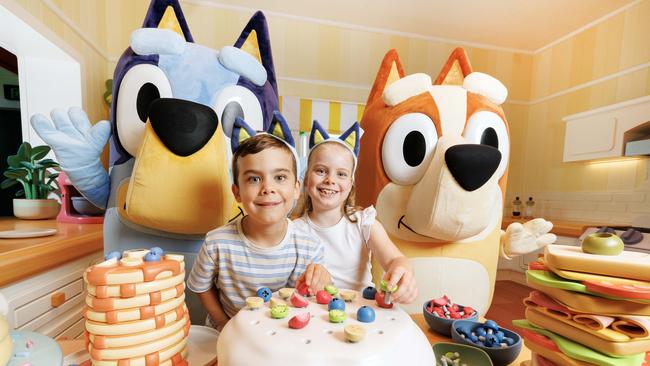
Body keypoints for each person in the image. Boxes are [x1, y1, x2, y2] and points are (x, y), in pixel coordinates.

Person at [188, 116, 331, 331]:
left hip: (282, 336)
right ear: (237, 192)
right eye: (254, 179)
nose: (267, 188)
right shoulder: (216, 242)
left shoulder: (309, 246)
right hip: (229, 335)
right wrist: (222, 322)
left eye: (280, 178)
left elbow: (310, 297)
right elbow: (201, 286)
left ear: (296, 189)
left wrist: (321, 281)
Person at [293, 121, 417, 304]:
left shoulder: (364, 223)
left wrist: (402, 271)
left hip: (358, 315)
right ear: (306, 179)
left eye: (341, 174)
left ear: (351, 184)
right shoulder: (294, 229)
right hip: (313, 317)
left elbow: (394, 259)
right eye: (320, 171)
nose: (330, 180)